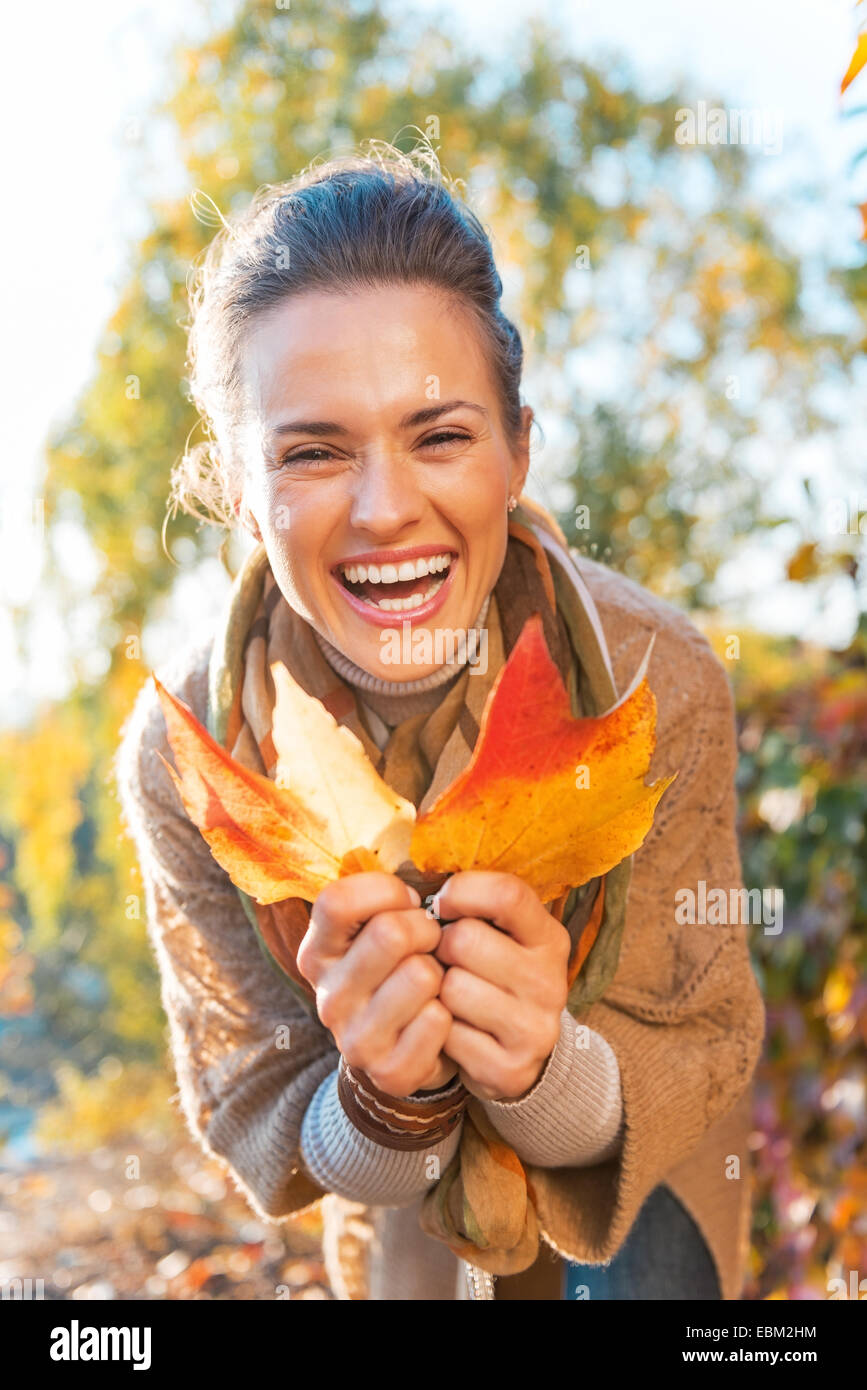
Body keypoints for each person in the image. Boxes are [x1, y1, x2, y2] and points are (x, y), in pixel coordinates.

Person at [115, 141, 766, 1301]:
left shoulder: (659, 678)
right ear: (237, 487)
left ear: (518, 447)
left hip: (642, 1214)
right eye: (312, 451)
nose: (384, 509)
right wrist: (384, 1097)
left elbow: (700, 1049)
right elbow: (259, 1110)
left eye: (442, 435)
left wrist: (545, 1069)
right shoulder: (188, 759)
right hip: (404, 1236)